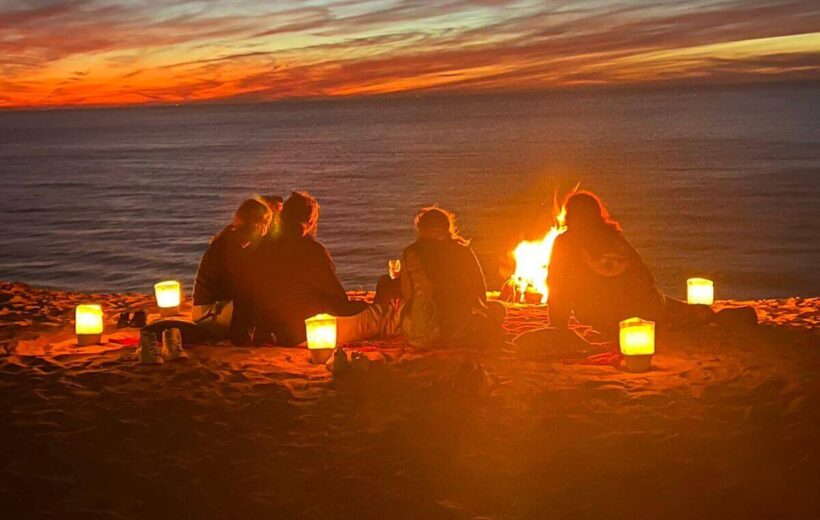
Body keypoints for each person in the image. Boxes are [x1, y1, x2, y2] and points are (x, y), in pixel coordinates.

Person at [546, 191, 709, 338]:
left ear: (570, 216)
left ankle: (696, 316)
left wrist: (557, 326)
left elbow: (558, 286)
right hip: (646, 305)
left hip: (602, 314)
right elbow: (644, 275)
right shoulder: (614, 238)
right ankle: (699, 315)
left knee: (684, 314)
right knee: (688, 313)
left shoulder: (565, 242)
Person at [253, 191, 400, 346]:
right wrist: (364, 306)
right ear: (310, 221)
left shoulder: (264, 245)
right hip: (305, 332)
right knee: (383, 316)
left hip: (274, 329)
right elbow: (339, 302)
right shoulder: (311, 250)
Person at [400, 207, 505, 348]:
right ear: (446, 227)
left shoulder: (410, 252)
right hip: (454, 329)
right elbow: (480, 290)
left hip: (420, 335)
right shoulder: (462, 251)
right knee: (498, 310)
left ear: (421, 228)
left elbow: (408, 294)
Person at [191, 198, 272, 343]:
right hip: (209, 314)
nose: (267, 228)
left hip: (214, 309)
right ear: (256, 223)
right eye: (266, 222)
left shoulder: (233, 240)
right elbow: (243, 286)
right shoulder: (231, 246)